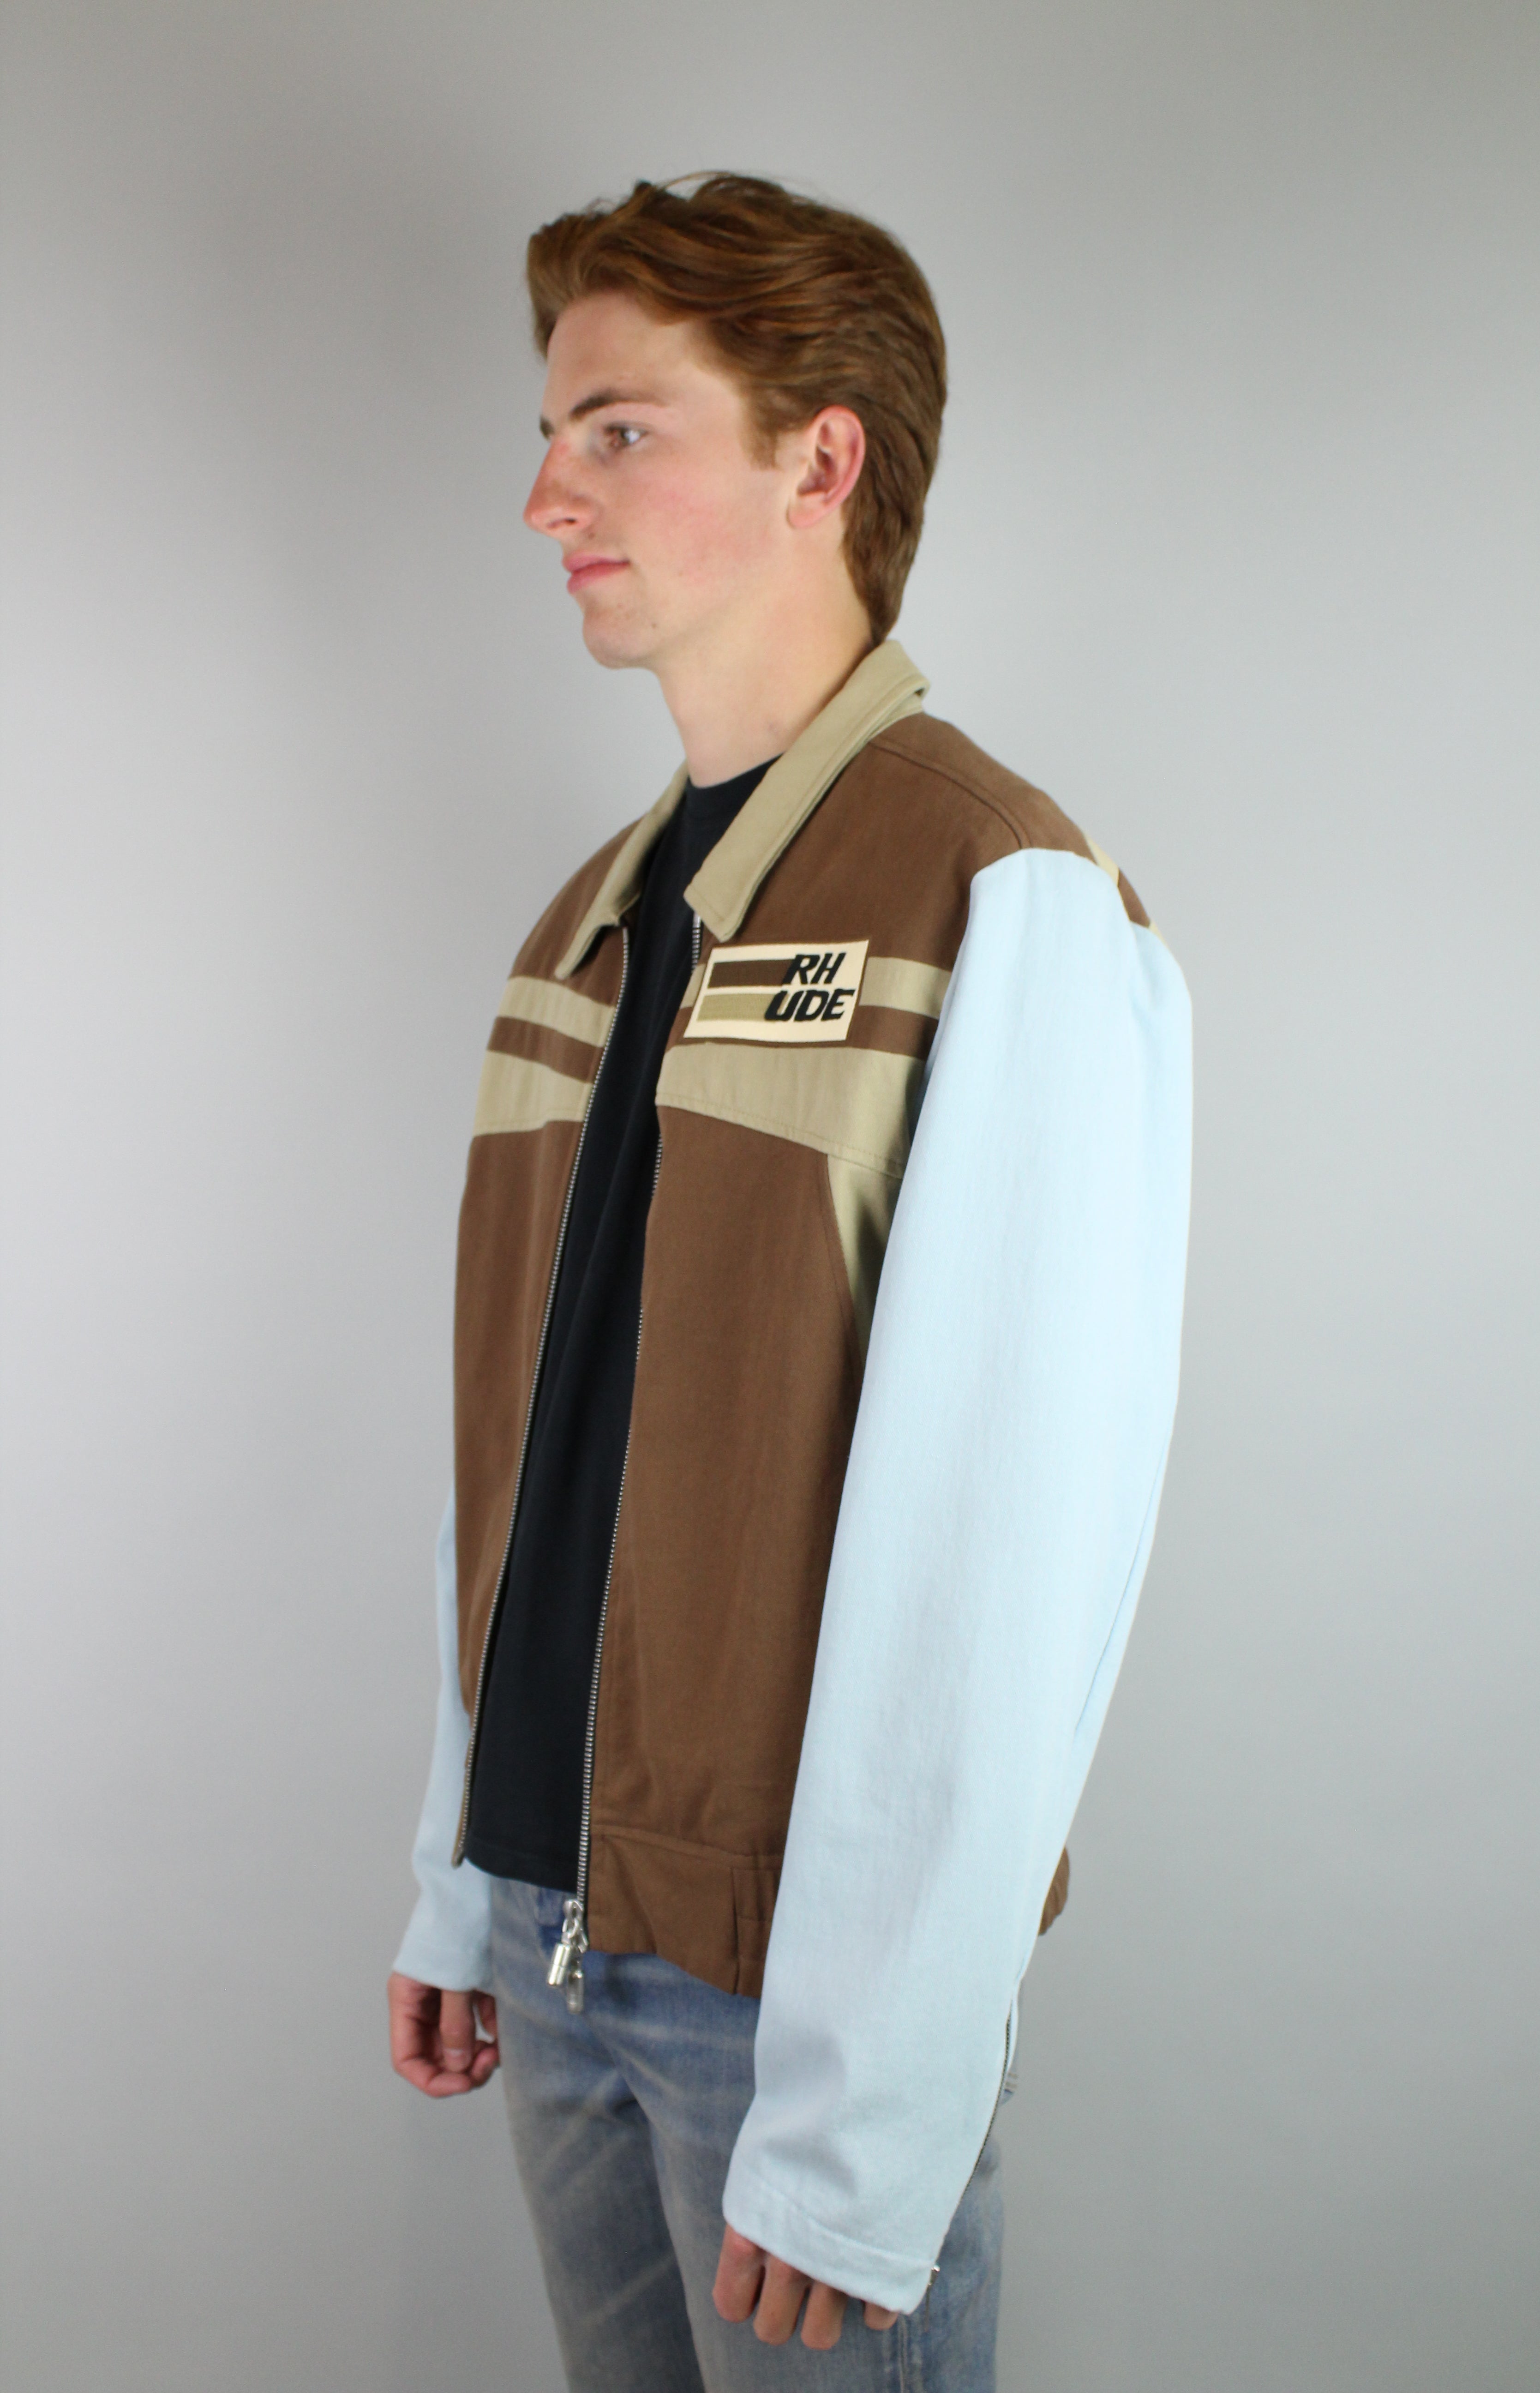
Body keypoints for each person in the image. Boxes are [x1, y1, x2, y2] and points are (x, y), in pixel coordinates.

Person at [387, 172, 1192, 2391]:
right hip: (550, 1941)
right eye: (554, 436)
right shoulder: (586, 924)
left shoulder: (1000, 891)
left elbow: (1010, 1554)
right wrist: (462, 1870)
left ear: (819, 459)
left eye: (619, 430)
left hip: (781, 2009)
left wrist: (868, 2113)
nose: (547, 496)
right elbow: (521, 1455)